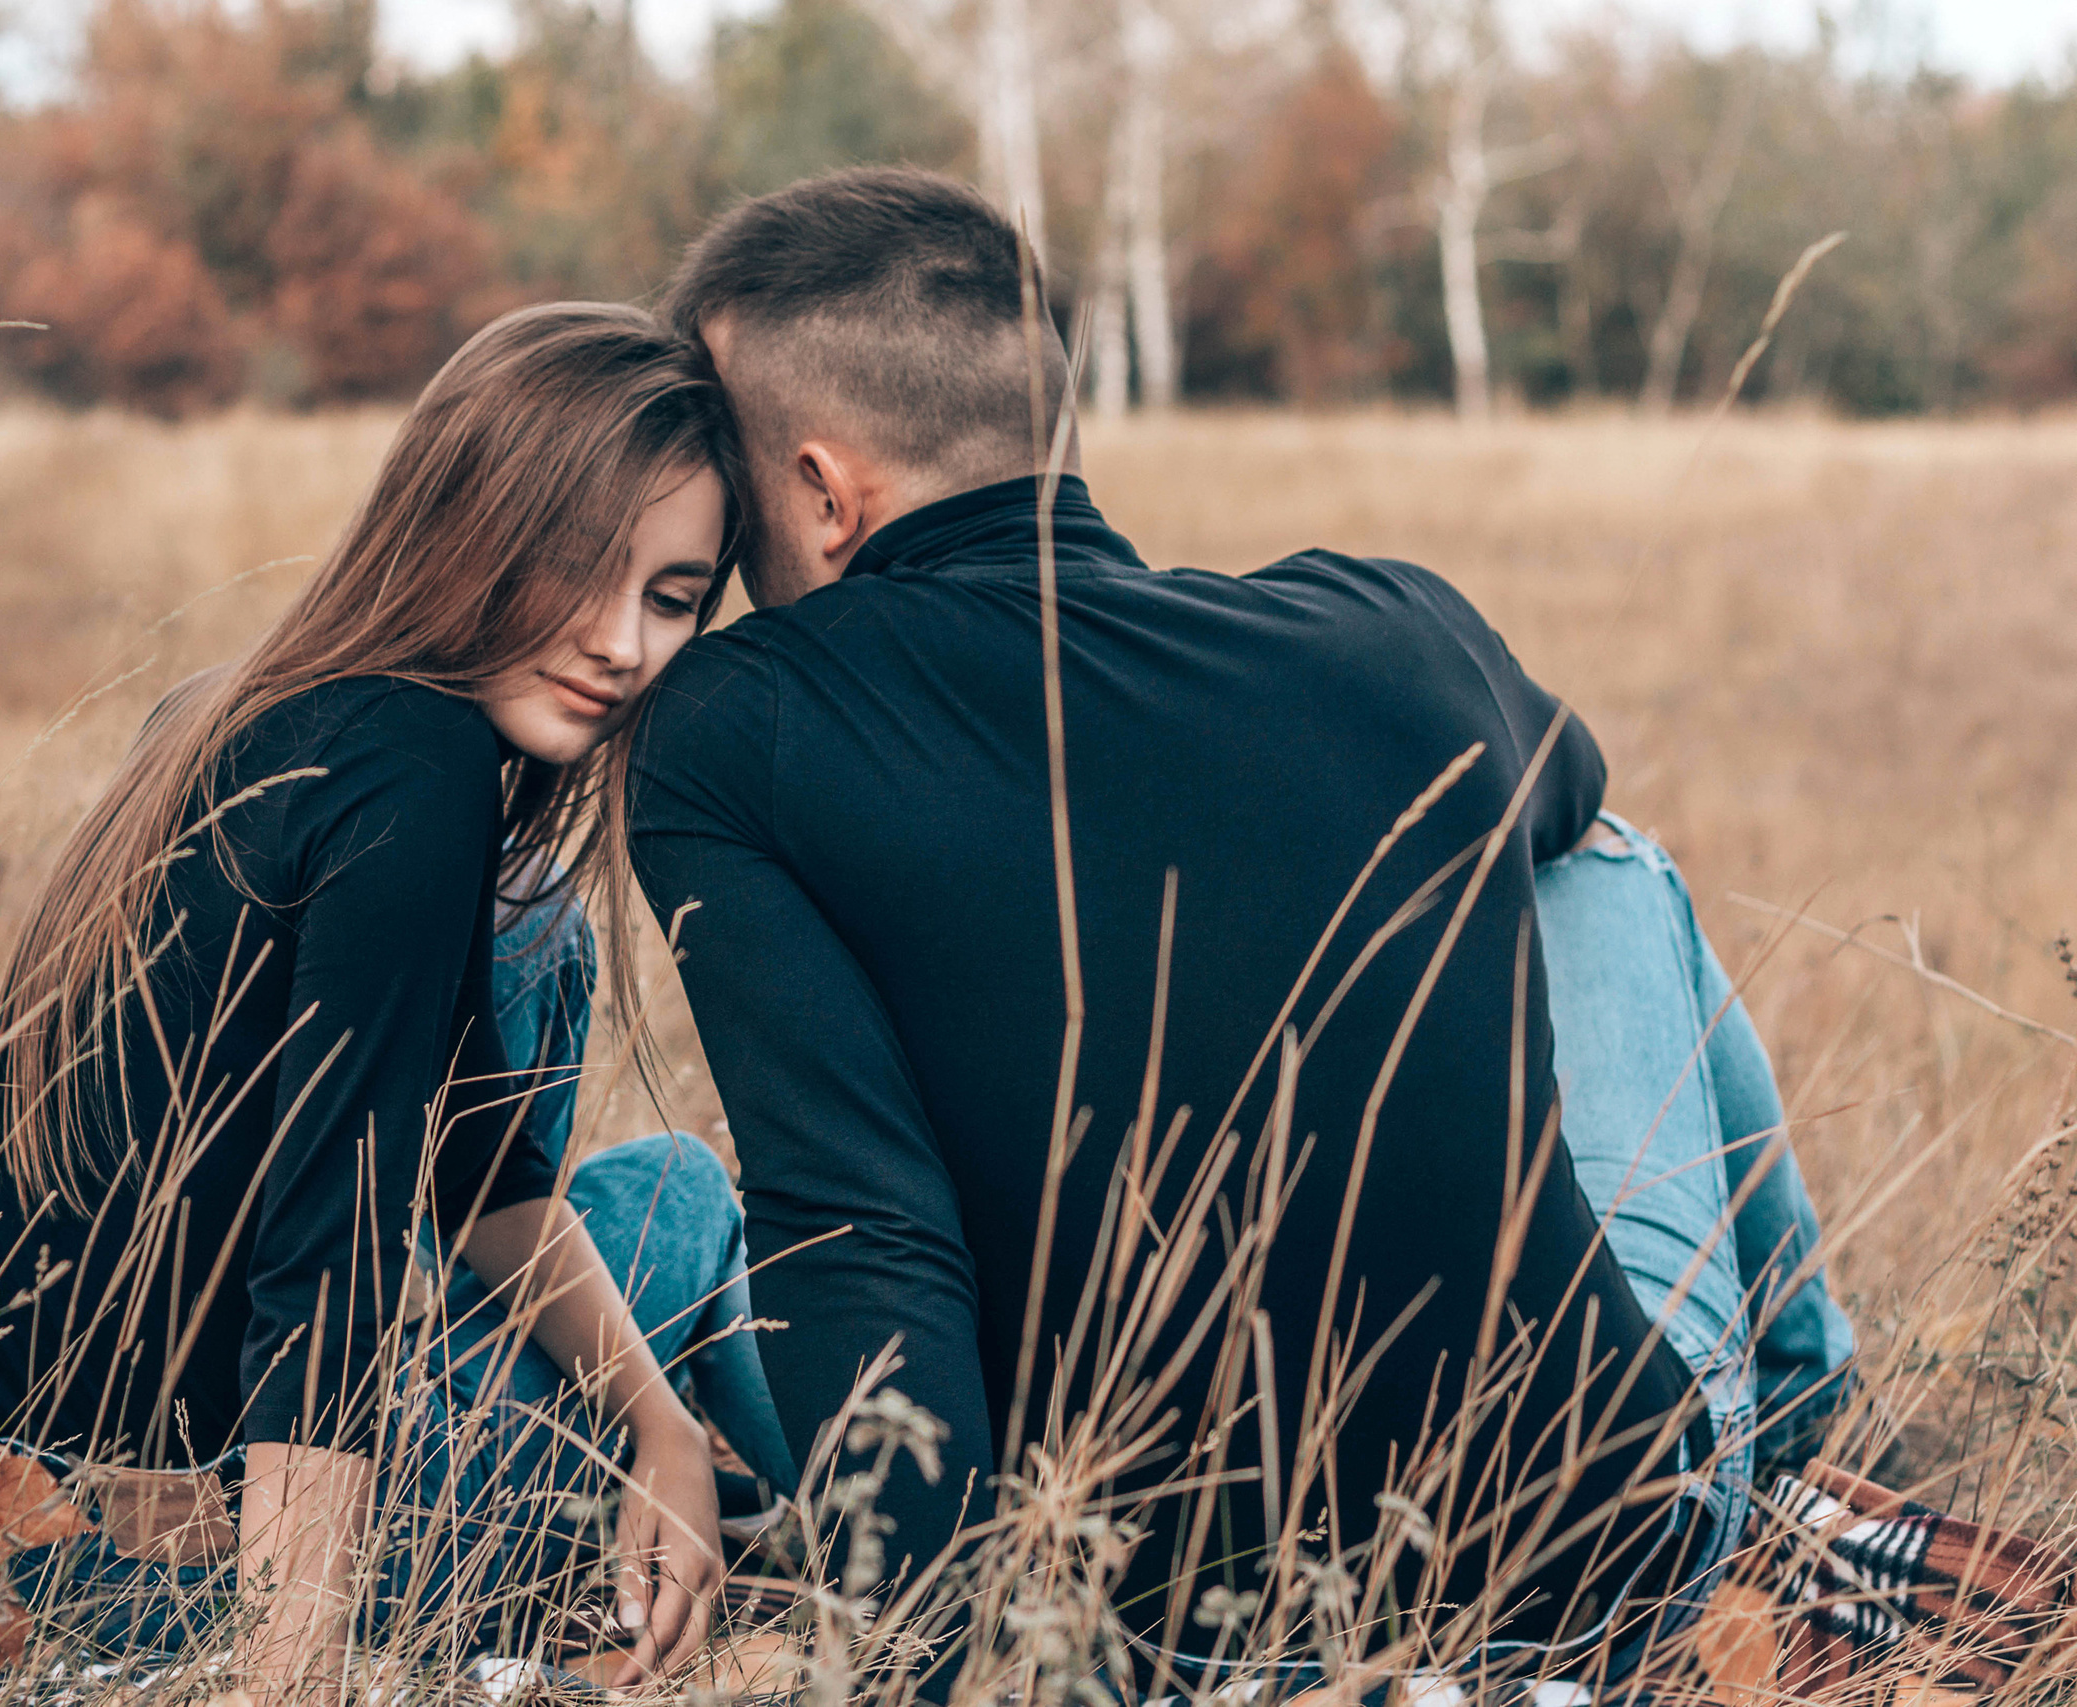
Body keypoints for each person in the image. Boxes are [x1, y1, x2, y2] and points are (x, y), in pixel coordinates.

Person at [628, 167, 1857, 1693]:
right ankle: (1799, 1447)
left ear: (820, 491)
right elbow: (1569, 796)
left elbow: (855, 1227)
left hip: (1157, 1623)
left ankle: (1799, 1464)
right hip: (1610, 1545)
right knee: (1601, 866)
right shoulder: (1397, 633)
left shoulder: (737, 726)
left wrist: (954, 1663)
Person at [0, 302, 799, 1700]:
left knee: (583, 1081)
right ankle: (869, 1527)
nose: (624, 646)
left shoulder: (247, 703)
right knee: (679, 1192)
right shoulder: (418, 779)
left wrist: (663, 1434)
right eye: (576, 568)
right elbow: (330, 1264)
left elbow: (469, 1176)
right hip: (165, 1568)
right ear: (466, 523)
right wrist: (293, 1668)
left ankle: (716, 1492)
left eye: (675, 598)